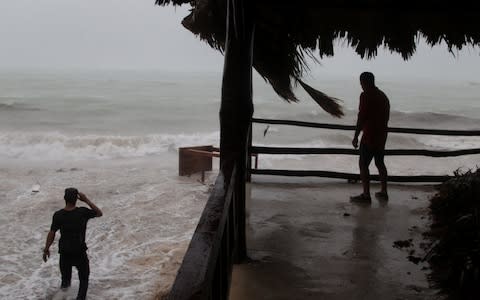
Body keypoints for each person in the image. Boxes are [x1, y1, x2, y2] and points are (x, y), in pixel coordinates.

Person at [43, 188, 103, 300]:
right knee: (84, 280)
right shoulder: (83, 212)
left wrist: (46, 248)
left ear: (64, 198)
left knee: (65, 282)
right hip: (79, 252)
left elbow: (52, 233)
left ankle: (61, 298)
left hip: (65, 253)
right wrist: (86, 200)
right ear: (77, 199)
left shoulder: (58, 215)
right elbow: (99, 213)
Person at [351, 72, 390, 202]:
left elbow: (361, 117)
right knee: (380, 163)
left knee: (363, 164)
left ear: (364, 82)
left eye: (361, 83)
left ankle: (366, 195)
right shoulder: (383, 96)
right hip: (382, 135)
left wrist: (356, 136)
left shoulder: (366, 96)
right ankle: (384, 191)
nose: (361, 86)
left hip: (369, 135)